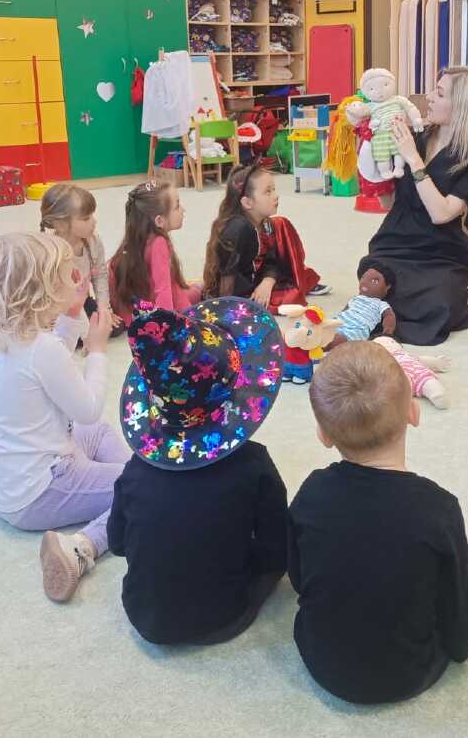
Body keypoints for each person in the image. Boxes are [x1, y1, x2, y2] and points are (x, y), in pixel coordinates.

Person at [289, 341, 468, 703]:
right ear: (413, 413)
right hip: (411, 671)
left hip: (321, 660)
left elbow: (299, 577)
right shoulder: (439, 508)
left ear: (323, 435)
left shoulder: (312, 492)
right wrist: (464, 643)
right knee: (467, 573)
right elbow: (458, 618)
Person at [108, 300, 287, 645]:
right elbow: (276, 549)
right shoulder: (254, 463)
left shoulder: (134, 471)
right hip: (225, 614)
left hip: (144, 614)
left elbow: (117, 543)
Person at [0, 233, 130, 603]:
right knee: (141, 489)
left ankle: (130, 481)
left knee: (98, 433)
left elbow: (49, 372)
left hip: (9, 486)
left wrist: (71, 315)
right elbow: (87, 406)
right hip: (42, 489)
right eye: (66, 274)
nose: (76, 278)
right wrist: (97, 350)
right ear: (41, 291)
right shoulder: (42, 349)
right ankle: (82, 546)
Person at [366, 66, 468, 346]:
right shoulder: (417, 134)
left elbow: (441, 213)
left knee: (439, 302)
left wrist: (414, 160)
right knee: (373, 277)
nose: (429, 97)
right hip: (395, 241)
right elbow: (391, 203)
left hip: (440, 251)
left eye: (439, 93)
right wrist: (374, 167)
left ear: (462, 105)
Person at [202, 163, 328, 308]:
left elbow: (271, 260)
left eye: (273, 189)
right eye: (268, 192)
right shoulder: (237, 229)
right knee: (289, 299)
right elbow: (227, 280)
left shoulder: (264, 222)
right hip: (238, 291)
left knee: (281, 223)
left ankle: (300, 279)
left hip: (257, 278)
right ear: (247, 202)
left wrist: (268, 281)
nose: (276, 195)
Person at [107, 180, 201, 325]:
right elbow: (164, 293)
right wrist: (184, 323)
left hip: (132, 309)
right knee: (197, 291)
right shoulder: (159, 243)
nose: (183, 210)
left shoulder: (135, 237)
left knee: (193, 290)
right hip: (148, 312)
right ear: (159, 220)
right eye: (177, 206)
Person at [39, 183, 122, 328]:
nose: (94, 222)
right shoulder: (50, 252)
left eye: (92, 216)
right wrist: (49, 318)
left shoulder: (93, 242)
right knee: (71, 334)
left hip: (81, 302)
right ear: (61, 224)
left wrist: (104, 308)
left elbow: (100, 276)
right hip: (57, 309)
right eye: (86, 218)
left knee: (113, 327)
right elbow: (43, 294)